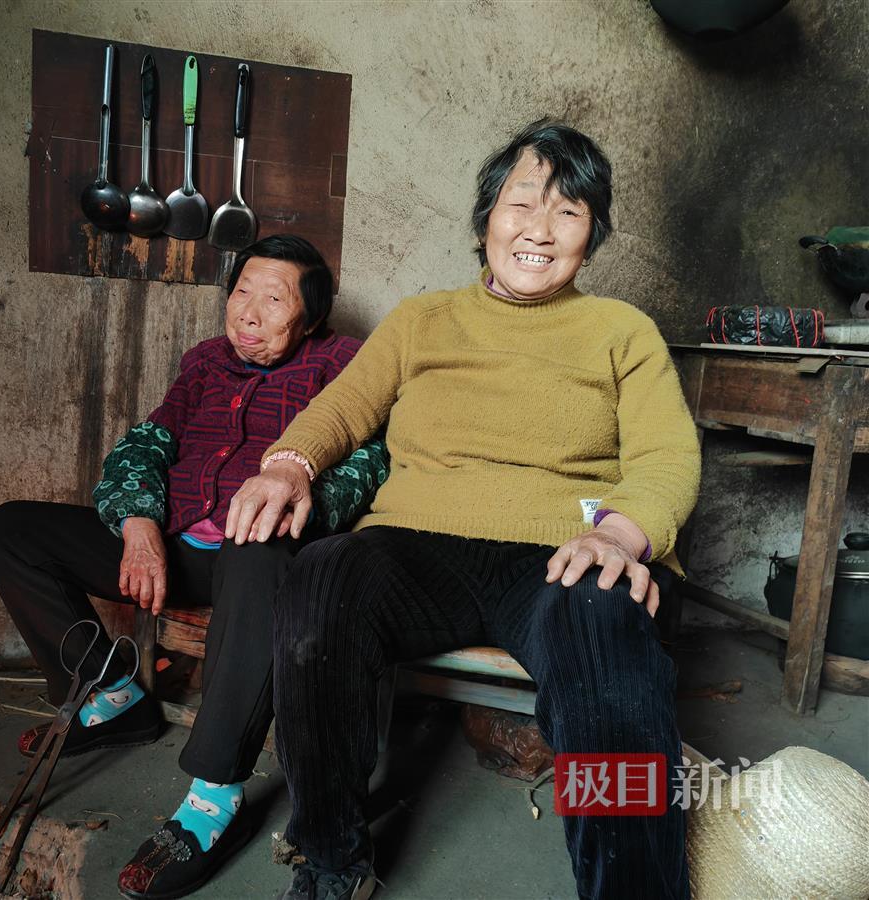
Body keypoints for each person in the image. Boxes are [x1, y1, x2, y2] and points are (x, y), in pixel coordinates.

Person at [225, 120, 702, 900]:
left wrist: (619, 535)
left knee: (608, 625)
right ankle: (332, 859)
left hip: (563, 556)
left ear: (591, 239)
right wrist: (288, 465)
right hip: (417, 548)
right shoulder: (422, 320)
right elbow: (343, 407)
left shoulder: (623, 333)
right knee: (323, 578)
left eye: (569, 212)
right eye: (522, 204)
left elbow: (667, 455)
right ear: (485, 221)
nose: (540, 230)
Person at [0, 234, 388, 900]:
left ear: (311, 317)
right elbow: (147, 443)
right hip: (172, 545)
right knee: (11, 530)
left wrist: (293, 511)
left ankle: (214, 795)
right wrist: (138, 520)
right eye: (242, 292)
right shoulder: (205, 364)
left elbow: (368, 464)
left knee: (258, 544)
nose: (248, 313)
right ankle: (113, 698)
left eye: (273, 300)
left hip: (260, 557)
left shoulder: (344, 365)